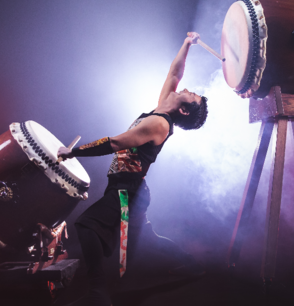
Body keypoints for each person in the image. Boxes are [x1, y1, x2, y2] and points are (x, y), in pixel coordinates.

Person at [57, 32, 208, 306]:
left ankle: (98, 293)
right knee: (148, 238)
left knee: (86, 224)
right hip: (135, 190)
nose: (184, 89)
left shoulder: (160, 124)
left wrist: (73, 152)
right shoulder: (162, 108)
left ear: (184, 110)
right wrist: (187, 44)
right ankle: (191, 264)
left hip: (127, 192)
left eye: (190, 94)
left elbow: (114, 142)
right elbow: (175, 72)